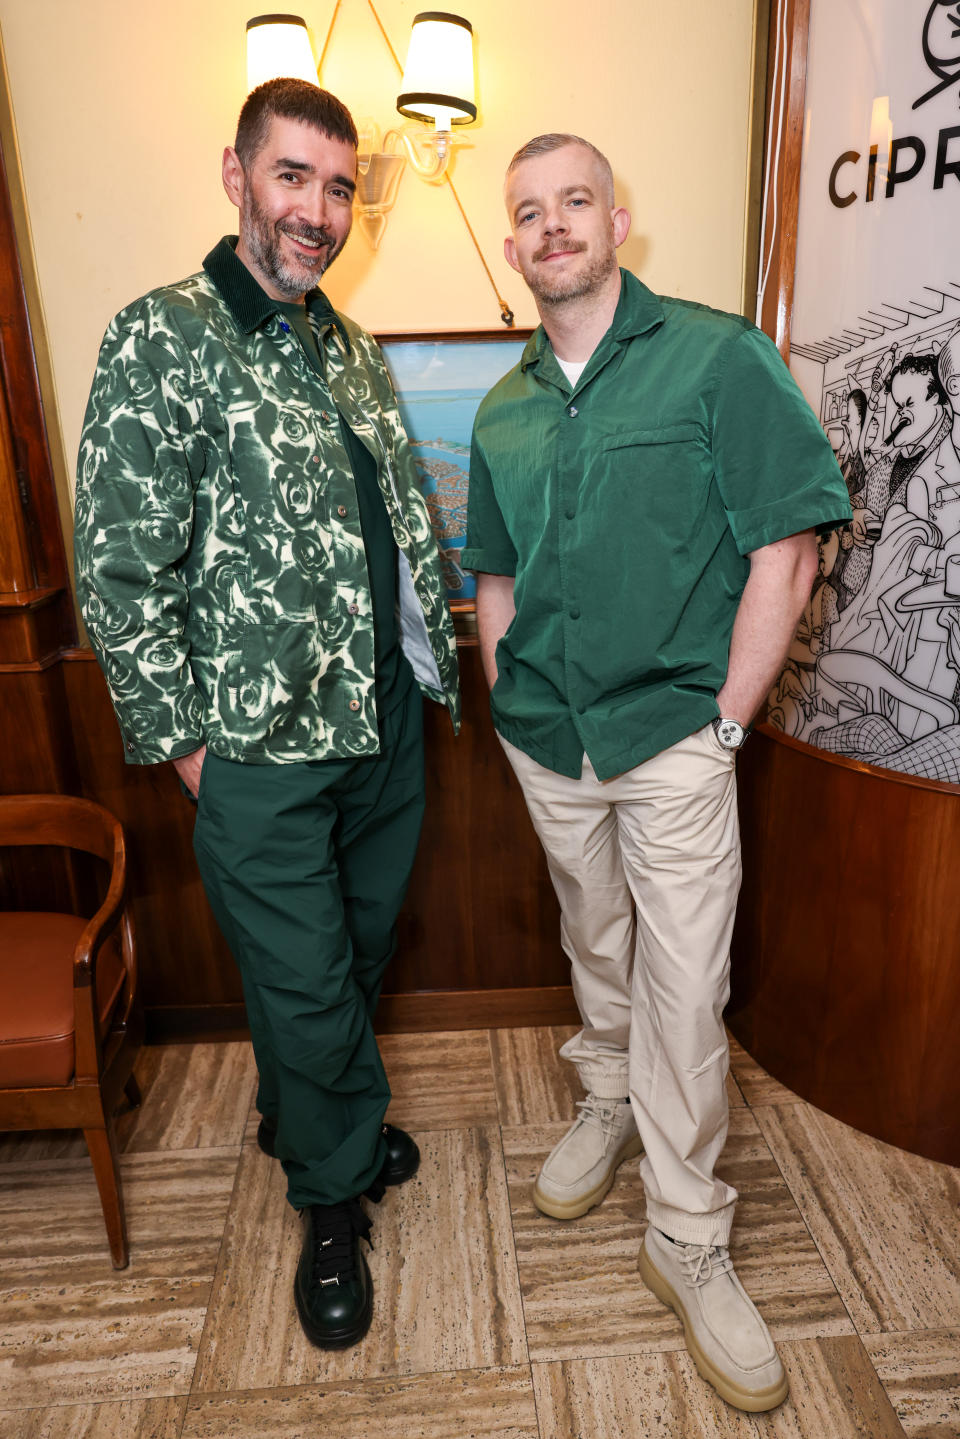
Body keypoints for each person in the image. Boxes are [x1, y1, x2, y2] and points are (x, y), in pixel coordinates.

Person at [463, 133, 849, 1413]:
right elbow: (499, 574)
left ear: (617, 218)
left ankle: (688, 1228)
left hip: (675, 735)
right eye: (528, 212)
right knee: (597, 935)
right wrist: (510, 694)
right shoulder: (508, 405)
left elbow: (786, 548)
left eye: (574, 201)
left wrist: (726, 726)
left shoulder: (716, 356)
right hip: (548, 736)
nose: (551, 226)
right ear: (515, 244)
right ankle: (606, 1093)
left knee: (689, 981)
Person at [74, 78, 460, 1351]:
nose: (318, 210)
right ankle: (330, 1195)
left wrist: (427, 665)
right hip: (257, 750)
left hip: (380, 721)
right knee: (300, 985)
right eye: (292, 177)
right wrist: (191, 747)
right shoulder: (160, 335)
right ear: (235, 175)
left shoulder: (340, 344)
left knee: (345, 957)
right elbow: (121, 568)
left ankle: (311, 1109)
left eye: (340, 186)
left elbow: (389, 525)